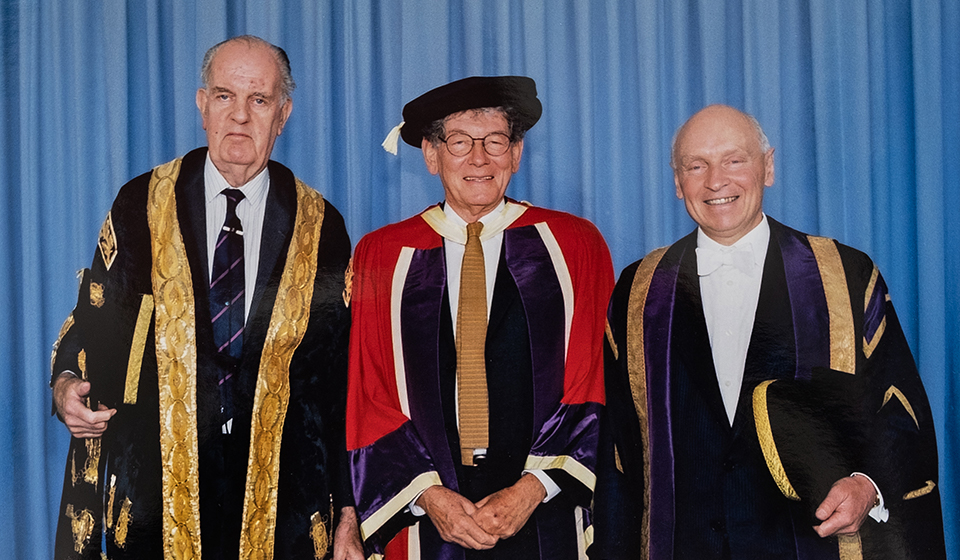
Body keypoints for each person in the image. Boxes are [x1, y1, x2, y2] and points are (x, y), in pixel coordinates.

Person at [49, 35, 362, 560]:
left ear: (282, 115)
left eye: (258, 100)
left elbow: (338, 380)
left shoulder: (321, 227)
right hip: (157, 492)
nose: (239, 115)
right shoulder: (141, 204)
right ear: (201, 105)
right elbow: (95, 321)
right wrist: (64, 387)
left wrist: (348, 511)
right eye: (224, 96)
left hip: (281, 498)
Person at [589, 104, 945, 559]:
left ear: (768, 167)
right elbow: (619, 453)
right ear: (678, 183)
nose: (716, 180)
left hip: (809, 545)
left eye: (735, 160)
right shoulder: (640, 290)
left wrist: (866, 485)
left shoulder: (843, 274)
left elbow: (900, 410)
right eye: (696, 166)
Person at [345, 76, 614, 559]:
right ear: (431, 156)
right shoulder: (382, 256)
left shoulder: (575, 246)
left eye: (495, 142)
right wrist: (429, 495)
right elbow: (370, 391)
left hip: (542, 499)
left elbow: (594, 379)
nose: (479, 159)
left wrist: (532, 487)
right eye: (460, 143)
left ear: (516, 153)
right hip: (426, 504)